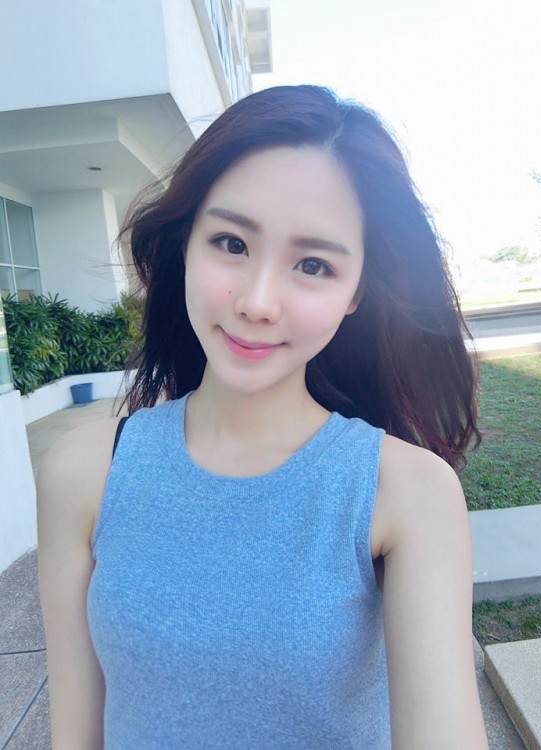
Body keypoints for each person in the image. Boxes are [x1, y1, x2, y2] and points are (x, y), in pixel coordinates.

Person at [37, 85, 489, 749]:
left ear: (356, 291)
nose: (257, 301)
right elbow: (75, 734)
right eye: (231, 242)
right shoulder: (85, 471)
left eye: (313, 264)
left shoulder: (405, 492)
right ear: (185, 245)